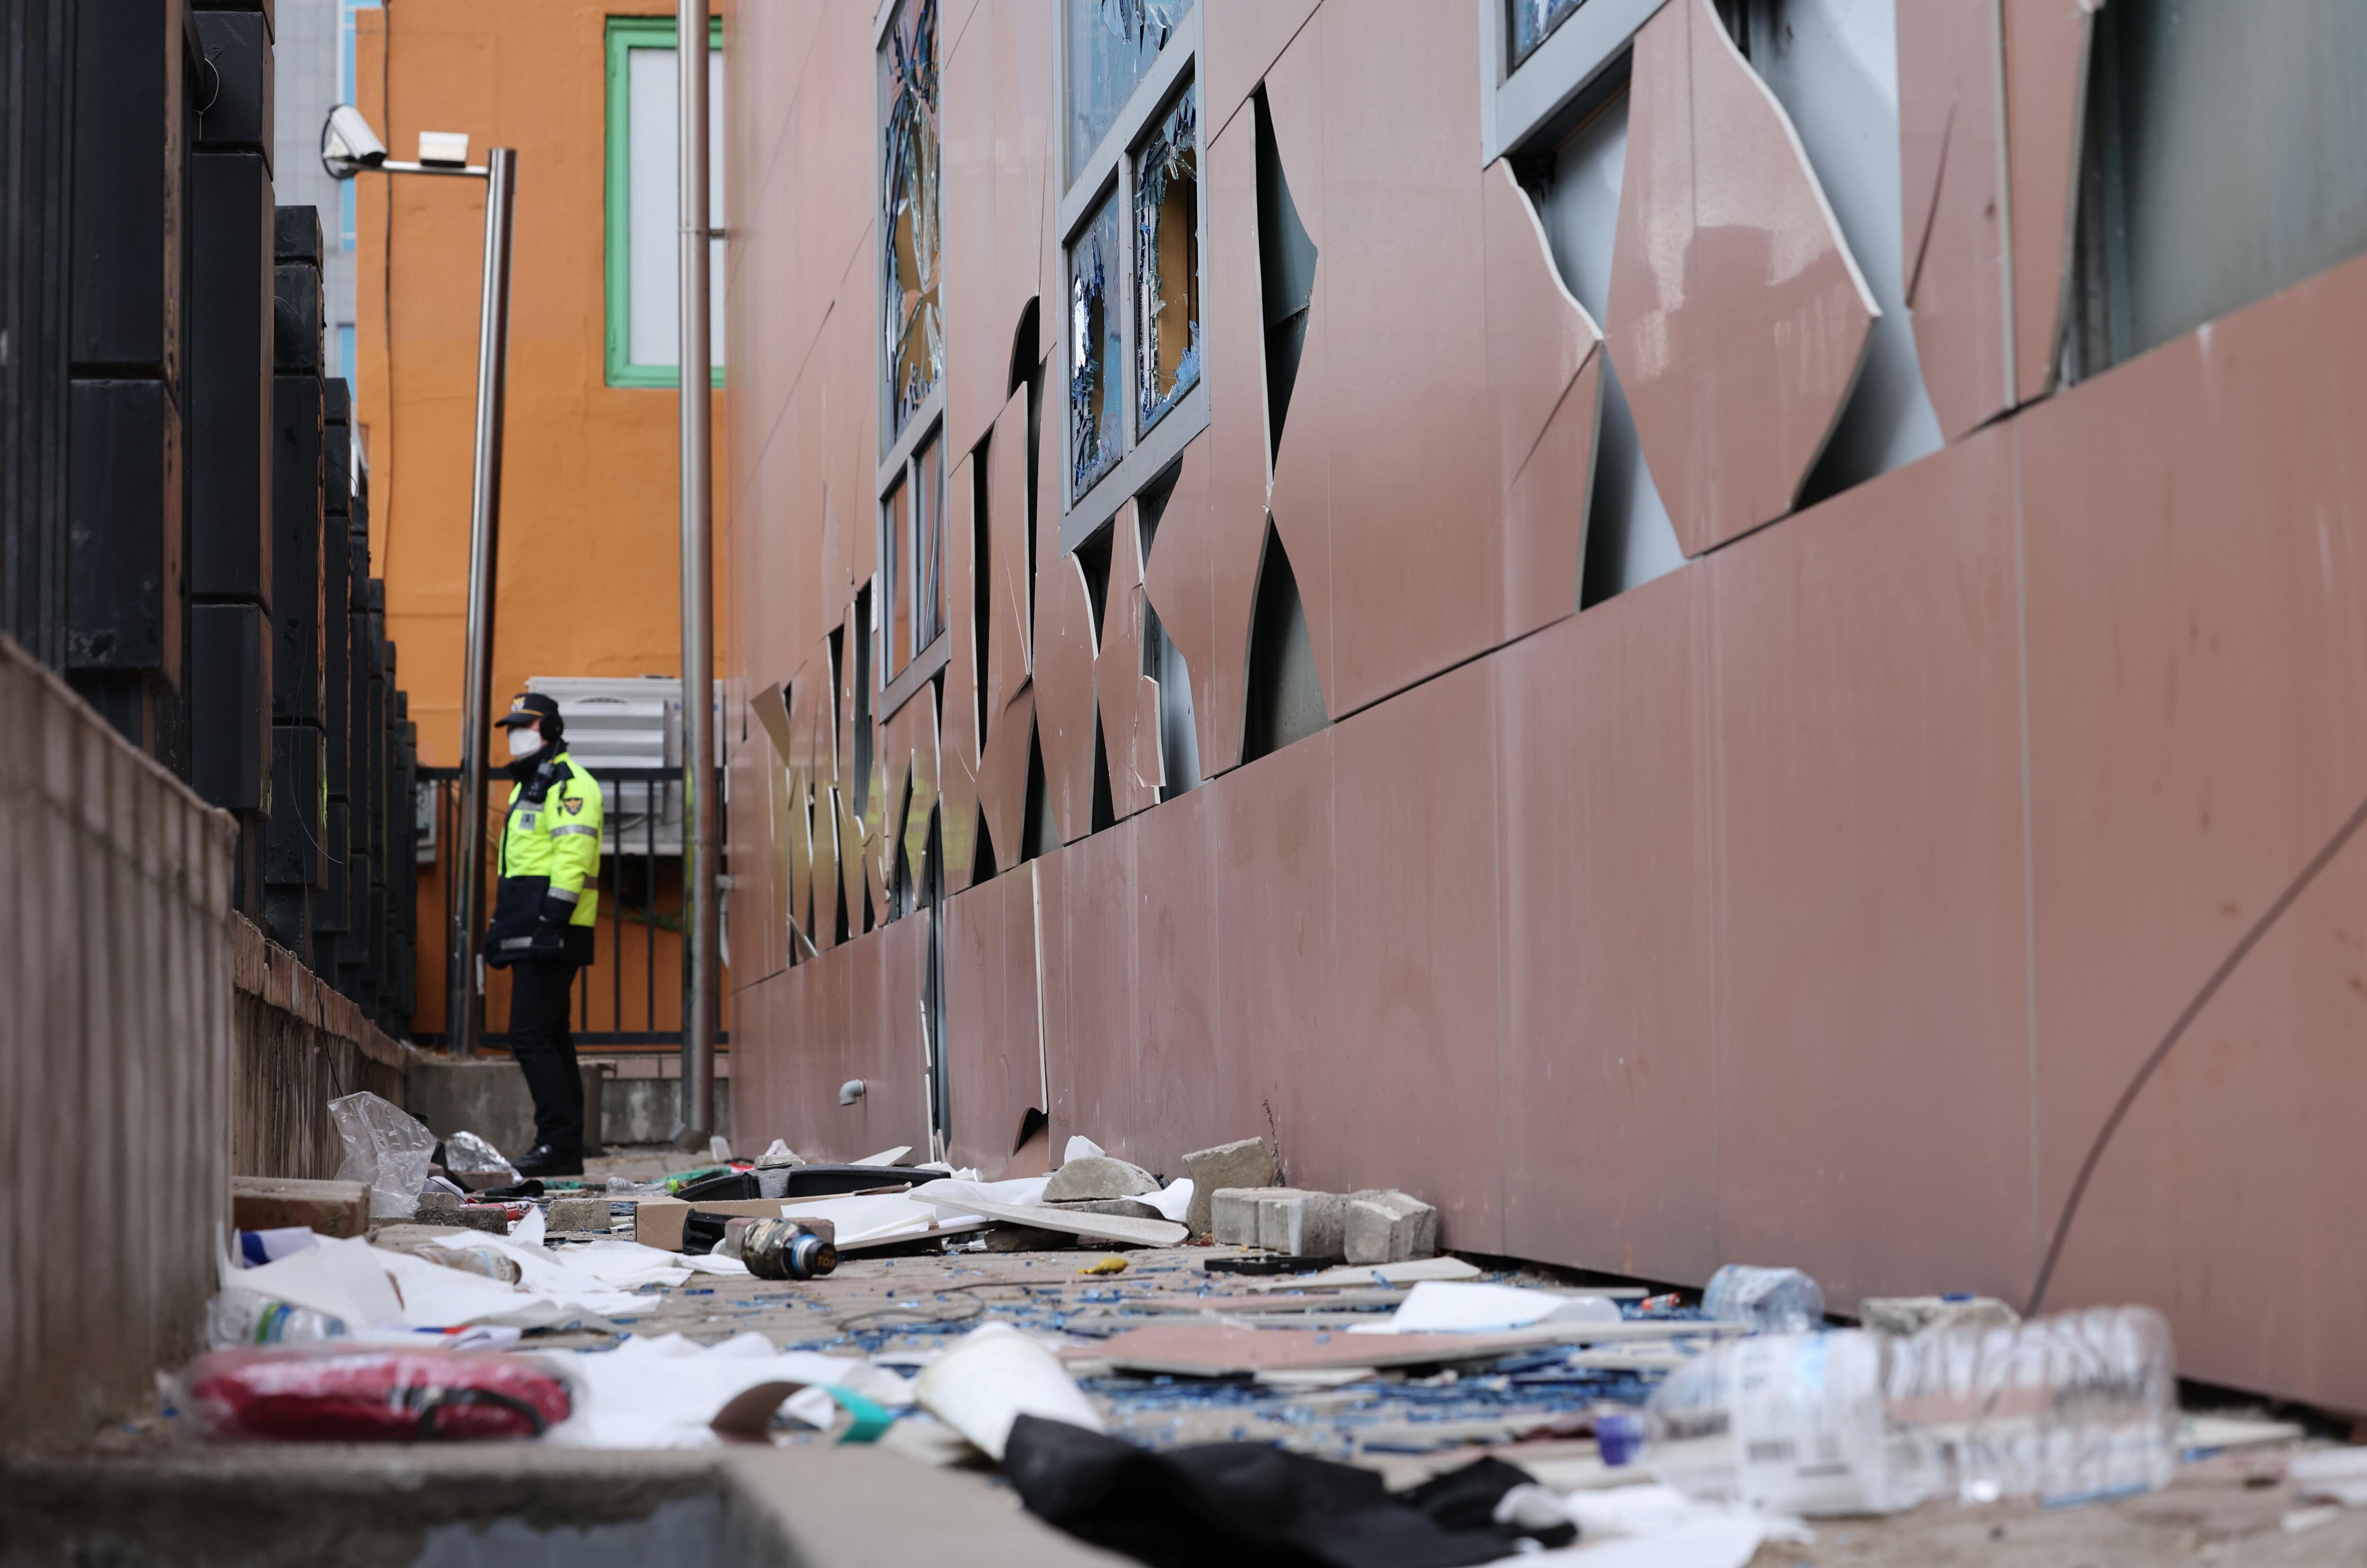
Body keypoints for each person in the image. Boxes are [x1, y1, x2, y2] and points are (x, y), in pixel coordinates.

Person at [484, 692, 603, 1177]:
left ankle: (555, 1144)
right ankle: (565, 1148)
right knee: (551, 1034)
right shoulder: (530, 784)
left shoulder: (570, 784)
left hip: (552, 929)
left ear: (550, 729)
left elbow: (572, 858)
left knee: (528, 1035)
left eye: (525, 726)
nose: (515, 736)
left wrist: (549, 925)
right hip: (530, 927)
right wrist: (503, 924)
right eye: (511, 727)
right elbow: (519, 862)